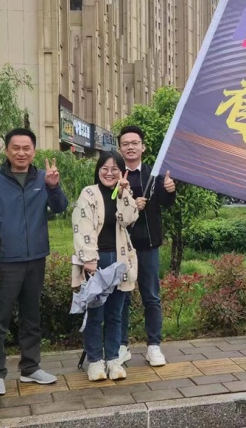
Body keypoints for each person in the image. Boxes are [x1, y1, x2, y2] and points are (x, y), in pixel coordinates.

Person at [0, 128, 69, 396]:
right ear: (7, 150)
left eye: (26, 148)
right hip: (3, 260)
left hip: (35, 258)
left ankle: (30, 368)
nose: (21, 153)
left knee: (31, 317)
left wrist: (54, 186)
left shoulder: (42, 177)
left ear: (34, 151)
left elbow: (61, 207)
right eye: (15, 148)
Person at [72, 150, 139, 381]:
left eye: (114, 169)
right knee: (95, 314)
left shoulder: (122, 193)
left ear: (122, 172)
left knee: (115, 314)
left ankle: (113, 359)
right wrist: (89, 259)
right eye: (104, 169)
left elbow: (129, 219)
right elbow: (82, 226)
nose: (109, 173)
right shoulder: (89, 193)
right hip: (96, 261)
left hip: (119, 260)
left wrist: (124, 193)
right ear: (98, 170)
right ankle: (95, 361)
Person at [116, 125, 176, 367]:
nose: (130, 147)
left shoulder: (154, 173)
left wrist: (170, 190)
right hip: (122, 246)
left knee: (151, 296)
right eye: (125, 144)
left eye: (134, 143)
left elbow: (166, 202)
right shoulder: (113, 174)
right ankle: (121, 345)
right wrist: (128, 200)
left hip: (148, 245)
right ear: (120, 148)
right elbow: (107, 204)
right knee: (122, 297)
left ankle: (154, 346)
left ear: (143, 147)